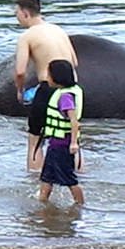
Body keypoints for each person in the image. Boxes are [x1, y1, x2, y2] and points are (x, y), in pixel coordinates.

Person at [11, 0, 76, 173]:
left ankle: (35, 180)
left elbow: (20, 71)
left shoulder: (27, 36)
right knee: (72, 135)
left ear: (25, 13)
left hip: (49, 88)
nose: (16, 17)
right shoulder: (58, 30)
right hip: (73, 90)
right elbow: (74, 62)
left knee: (35, 139)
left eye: (16, 13)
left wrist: (19, 90)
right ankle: (79, 177)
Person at [33, 57, 84, 210]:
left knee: (69, 179)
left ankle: (80, 204)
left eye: (49, 75)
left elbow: (74, 121)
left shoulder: (65, 97)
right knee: (47, 176)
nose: (46, 78)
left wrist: (74, 142)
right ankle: (42, 201)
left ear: (57, 78)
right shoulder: (64, 92)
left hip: (62, 144)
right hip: (55, 143)